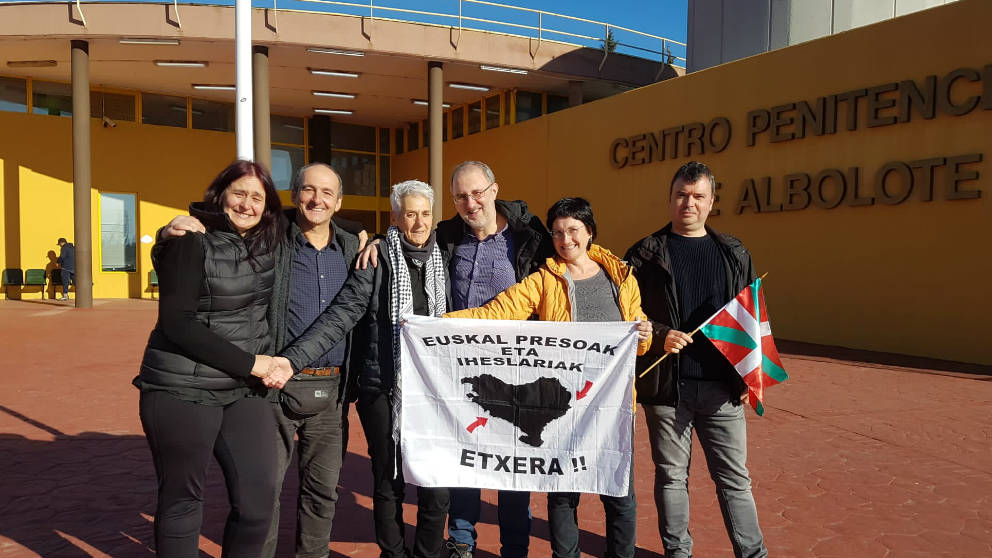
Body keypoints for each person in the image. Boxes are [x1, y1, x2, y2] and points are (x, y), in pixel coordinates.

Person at [159, 162, 365, 558]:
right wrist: (170, 237)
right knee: (261, 496)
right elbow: (217, 236)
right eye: (308, 189)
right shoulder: (270, 238)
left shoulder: (354, 247)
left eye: (326, 193)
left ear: (339, 203)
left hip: (332, 389)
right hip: (273, 385)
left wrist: (366, 235)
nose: (316, 199)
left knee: (323, 492)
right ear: (293, 196)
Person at [358, 161, 553, 558]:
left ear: (495, 190)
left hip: (516, 368)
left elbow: (566, 268)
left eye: (478, 192)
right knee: (461, 456)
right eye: (461, 196)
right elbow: (407, 234)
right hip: (459, 369)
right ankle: (461, 541)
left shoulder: (529, 237)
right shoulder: (448, 235)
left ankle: (514, 546)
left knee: (512, 464)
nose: (471, 202)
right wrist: (374, 239)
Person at [444, 197, 651, 558]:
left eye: (573, 230)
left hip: (614, 404)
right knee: (562, 494)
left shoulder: (621, 277)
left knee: (618, 492)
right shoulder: (544, 279)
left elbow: (637, 340)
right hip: (564, 405)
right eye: (557, 232)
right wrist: (435, 327)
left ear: (590, 232)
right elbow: (498, 312)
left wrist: (645, 336)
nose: (565, 239)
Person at [278, 179, 451, 558]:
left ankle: (427, 553)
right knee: (388, 480)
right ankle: (393, 553)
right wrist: (293, 357)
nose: (419, 223)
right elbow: (344, 314)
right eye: (410, 214)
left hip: (435, 392)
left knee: (437, 481)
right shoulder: (375, 258)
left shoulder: (446, 257)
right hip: (382, 386)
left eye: (425, 214)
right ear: (394, 217)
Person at [133, 160, 291, 558]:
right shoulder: (192, 239)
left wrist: (366, 239)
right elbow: (177, 323)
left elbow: (318, 223)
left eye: (257, 197)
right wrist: (167, 234)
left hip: (242, 392)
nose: (247, 204)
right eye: (239, 193)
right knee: (182, 503)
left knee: (257, 505)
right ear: (219, 195)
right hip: (181, 389)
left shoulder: (267, 240)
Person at [624, 161, 766, 558]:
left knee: (735, 480)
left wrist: (747, 376)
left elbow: (751, 316)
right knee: (671, 479)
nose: (689, 203)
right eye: (682, 195)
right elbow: (626, 316)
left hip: (723, 389)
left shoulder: (734, 253)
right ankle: (678, 553)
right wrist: (659, 335)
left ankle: (753, 554)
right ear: (670, 200)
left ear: (711, 202)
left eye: (698, 196)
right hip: (667, 388)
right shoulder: (644, 254)